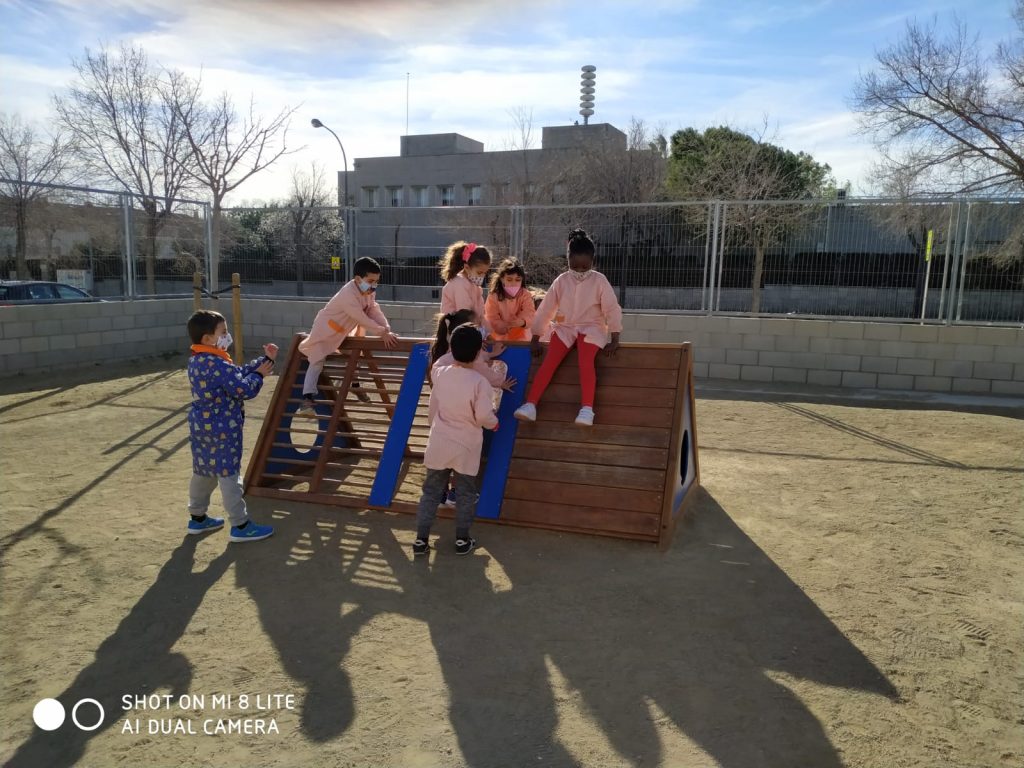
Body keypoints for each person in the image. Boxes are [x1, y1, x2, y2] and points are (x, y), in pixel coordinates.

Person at [514, 228, 622, 427]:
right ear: (568, 260)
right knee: (550, 361)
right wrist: (536, 336)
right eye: (575, 266)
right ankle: (530, 404)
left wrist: (615, 337)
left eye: (585, 267)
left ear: (593, 262)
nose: (580, 271)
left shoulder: (599, 280)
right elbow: (546, 309)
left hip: (591, 327)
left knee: (585, 362)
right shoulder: (562, 281)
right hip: (566, 327)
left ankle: (587, 409)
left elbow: (611, 308)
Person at [186, 309, 278, 542]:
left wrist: (264, 361)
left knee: (203, 471)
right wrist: (259, 376)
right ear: (208, 338)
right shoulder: (218, 363)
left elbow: (236, 374)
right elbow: (243, 388)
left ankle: (197, 518)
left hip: (201, 426)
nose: (227, 336)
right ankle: (240, 524)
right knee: (229, 474)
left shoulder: (197, 360)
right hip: (224, 428)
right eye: (223, 332)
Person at [413, 323, 498, 557]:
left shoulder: (440, 373)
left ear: (451, 348)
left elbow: (440, 366)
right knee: (465, 494)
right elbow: (483, 415)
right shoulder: (480, 382)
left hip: (439, 442)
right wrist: (494, 423)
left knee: (431, 492)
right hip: (466, 445)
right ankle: (462, 539)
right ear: (479, 351)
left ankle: (421, 539)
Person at [429, 309, 515, 508]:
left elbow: (476, 361)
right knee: (462, 461)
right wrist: (500, 382)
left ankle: (441, 494)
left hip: (440, 422)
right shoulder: (473, 367)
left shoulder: (444, 361)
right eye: (477, 326)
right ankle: (456, 493)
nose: (481, 328)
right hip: (463, 425)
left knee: (442, 461)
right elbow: (482, 370)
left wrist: (488, 354)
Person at [297, 257, 399, 414]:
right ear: (358, 279)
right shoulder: (348, 294)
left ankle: (355, 385)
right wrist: (381, 332)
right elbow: (360, 317)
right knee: (317, 358)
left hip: (345, 330)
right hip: (326, 329)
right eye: (371, 281)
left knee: (354, 354)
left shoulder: (368, 292)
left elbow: (373, 309)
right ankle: (307, 397)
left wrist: (386, 329)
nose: (374, 285)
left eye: (376, 281)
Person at [439, 241, 491, 325]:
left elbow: (480, 315)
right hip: (456, 330)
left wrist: (488, 331)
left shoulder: (475, 286)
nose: (482, 276)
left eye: (485, 273)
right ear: (467, 267)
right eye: (479, 273)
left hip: (468, 329)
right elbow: (465, 316)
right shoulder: (459, 284)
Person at [484, 258, 536, 341]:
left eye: (518, 280)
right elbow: (491, 316)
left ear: (522, 280)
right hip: (497, 336)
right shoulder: (493, 296)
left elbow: (529, 312)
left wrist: (522, 321)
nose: (513, 283)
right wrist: (502, 327)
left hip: (521, 335)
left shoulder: (525, 295)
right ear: (502, 279)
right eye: (509, 279)